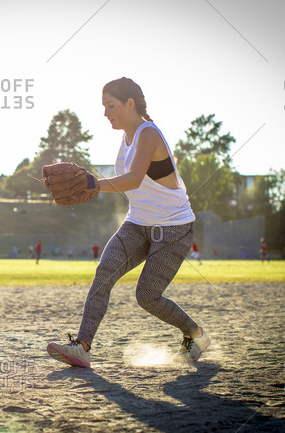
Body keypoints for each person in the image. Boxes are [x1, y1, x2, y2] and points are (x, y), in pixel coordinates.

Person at [47, 77, 210, 368]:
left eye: (111, 105)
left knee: (147, 296)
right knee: (104, 271)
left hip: (173, 227)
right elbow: (131, 183)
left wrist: (93, 183)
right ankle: (82, 346)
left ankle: (195, 334)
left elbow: (134, 179)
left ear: (130, 103)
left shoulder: (149, 133)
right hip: (138, 222)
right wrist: (93, 185)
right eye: (104, 107)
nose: (106, 113)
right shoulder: (126, 138)